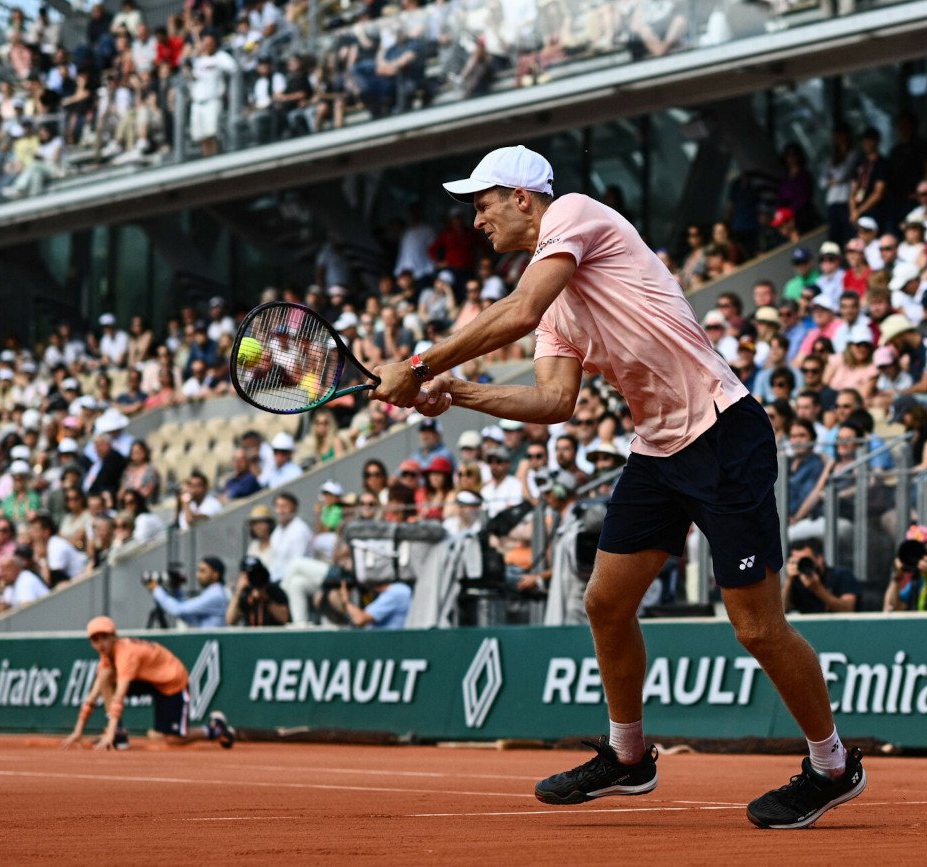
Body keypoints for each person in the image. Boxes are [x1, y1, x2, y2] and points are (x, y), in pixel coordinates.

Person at [371, 145, 865, 828]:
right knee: (605, 601)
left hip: (724, 432)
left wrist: (418, 362)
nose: (476, 219)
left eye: (482, 202)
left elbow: (516, 311)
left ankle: (832, 764)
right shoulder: (556, 309)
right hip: (658, 449)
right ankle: (629, 756)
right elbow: (553, 401)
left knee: (755, 624)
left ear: (523, 198)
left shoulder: (573, 214)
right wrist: (457, 394)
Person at [61, 616, 236, 751]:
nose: (100, 643)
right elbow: (93, 695)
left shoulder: (126, 654)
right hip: (150, 680)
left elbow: (119, 697)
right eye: (95, 639)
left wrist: (109, 732)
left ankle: (215, 729)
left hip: (172, 681)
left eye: (104, 637)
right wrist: (78, 731)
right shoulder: (107, 655)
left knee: (173, 740)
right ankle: (119, 734)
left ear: (114, 636)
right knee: (105, 677)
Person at [146, 556, 230, 628]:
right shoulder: (212, 592)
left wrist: (156, 590)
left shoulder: (215, 595)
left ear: (216, 574)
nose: (198, 575)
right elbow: (189, 617)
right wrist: (176, 590)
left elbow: (178, 609)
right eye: (198, 571)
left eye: (202, 571)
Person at [781, 539, 861, 614]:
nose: (803, 565)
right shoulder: (796, 581)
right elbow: (781, 612)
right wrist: (789, 579)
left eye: (806, 560)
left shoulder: (841, 575)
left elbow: (848, 609)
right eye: (797, 562)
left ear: (819, 559)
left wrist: (818, 589)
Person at [226, 556, 292, 626]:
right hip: (250, 635)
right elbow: (230, 620)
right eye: (248, 574)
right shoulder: (243, 593)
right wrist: (238, 592)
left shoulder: (274, 590)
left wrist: (266, 599)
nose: (253, 577)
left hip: (271, 634)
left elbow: (284, 619)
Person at [339, 573, 412, 629]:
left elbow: (360, 619)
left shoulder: (396, 592)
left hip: (389, 644)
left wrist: (345, 600)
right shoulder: (391, 591)